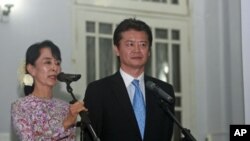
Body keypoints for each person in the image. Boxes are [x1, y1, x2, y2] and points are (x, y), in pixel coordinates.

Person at [84, 18, 175, 141]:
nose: (137, 50)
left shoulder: (164, 91)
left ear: (149, 51)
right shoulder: (98, 91)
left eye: (143, 44)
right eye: (130, 44)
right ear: (117, 49)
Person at [11, 40, 88, 141]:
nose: (54, 68)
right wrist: (65, 124)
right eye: (48, 62)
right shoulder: (20, 106)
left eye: (57, 63)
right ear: (31, 69)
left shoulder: (66, 108)